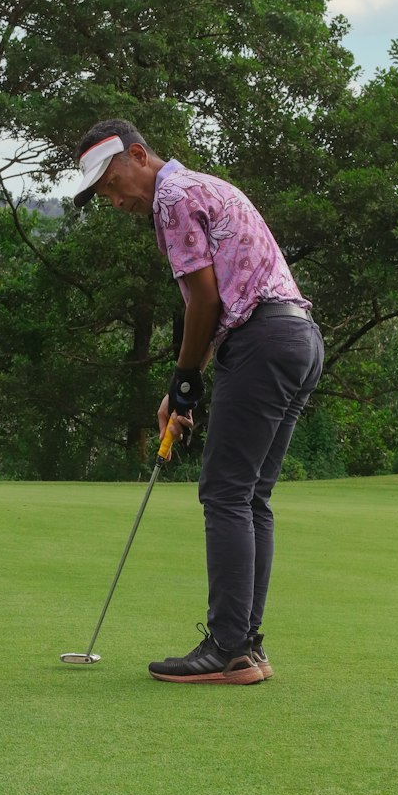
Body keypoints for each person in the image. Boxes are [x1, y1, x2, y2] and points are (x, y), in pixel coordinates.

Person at [73, 119, 324, 685]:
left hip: (261, 341)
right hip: (297, 338)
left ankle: (229, 647)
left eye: (111, 183)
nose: (111, 200)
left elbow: (206, 301)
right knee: (251, 496)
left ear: (138, 155)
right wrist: (181, 387)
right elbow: (222, 301)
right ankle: (246, 647)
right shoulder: (204, 187)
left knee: (226, 492)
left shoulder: (172, 199)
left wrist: (186, 379)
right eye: (100, 194)